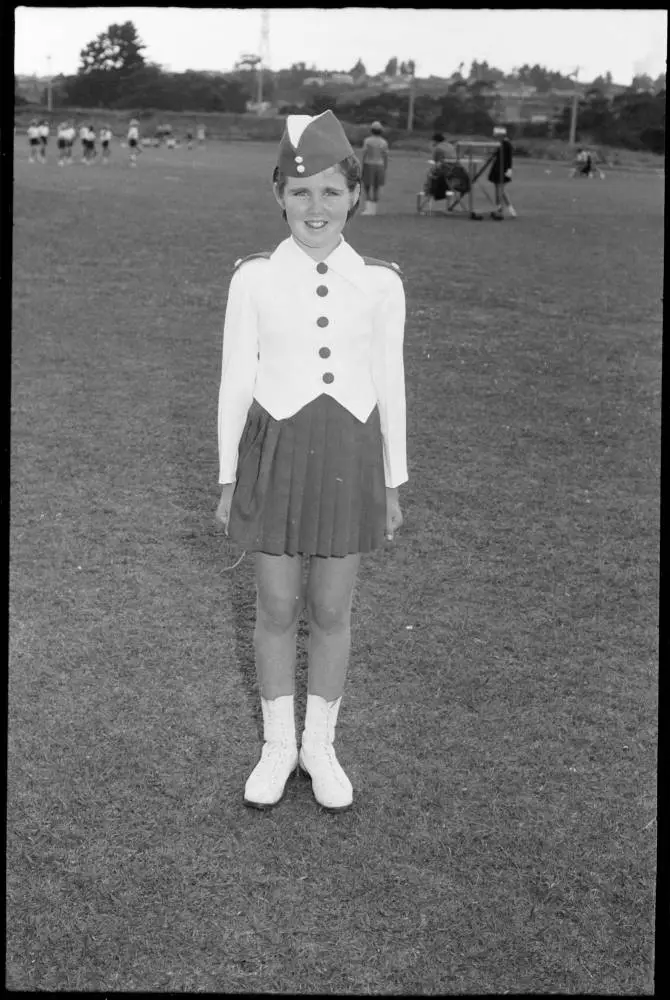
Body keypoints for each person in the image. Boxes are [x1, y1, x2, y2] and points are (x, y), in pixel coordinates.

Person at [216, 109, 407, 813]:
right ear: (278, 195)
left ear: (355, 194)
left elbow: (392, 384)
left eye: (330, 191)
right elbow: (235, 378)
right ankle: (277, 746)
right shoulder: (254, 278)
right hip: (275, 450)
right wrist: (227, 476)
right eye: (300, 192)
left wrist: (392, 479)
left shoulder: (383, 283)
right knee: (274, 604)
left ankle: (320, 745)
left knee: (332, 608)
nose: (315, 207)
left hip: (351, 452)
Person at [360, 120, 388, 215]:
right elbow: (385, 156)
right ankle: (374, 210)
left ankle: (368, 210)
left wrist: (362, 166)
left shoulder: (367, 141)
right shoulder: (384, 142)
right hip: (380, 165)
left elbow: (364, 154)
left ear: (371, 130)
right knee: (376, 187)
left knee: (367, 187)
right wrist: (385, 167)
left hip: (369, 164)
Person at [488, 126, 517, 219]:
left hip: (503, 169)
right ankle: (509, 209)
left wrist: (509, 169)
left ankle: (500, 209)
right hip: (497, 168)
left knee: (500, 190)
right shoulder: (499, 144)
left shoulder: (506, 144)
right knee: (500, 190)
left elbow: (509, 158)